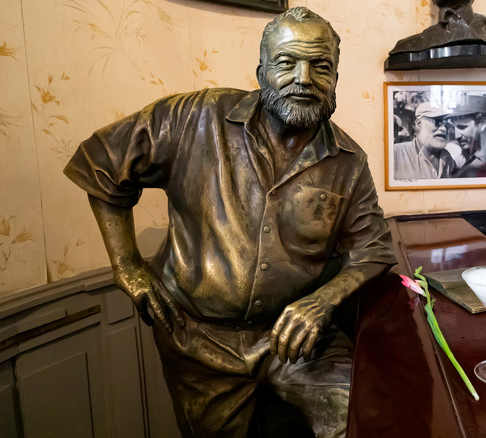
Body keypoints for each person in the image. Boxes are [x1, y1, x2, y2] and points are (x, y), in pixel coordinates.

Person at [64, 7, 395, 437]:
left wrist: (322, 302)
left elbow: (374, 250)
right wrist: (126, 265)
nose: (303, 78)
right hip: (198, 343)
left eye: (320, 66)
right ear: (260, 70)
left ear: (336, 76)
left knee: (363, 414)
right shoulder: (194, 117)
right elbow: (102, 163)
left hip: (295, 342)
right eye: (287, 62)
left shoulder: (348, 163)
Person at [393, 102, 456, 180]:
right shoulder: (396, 153)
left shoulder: (448, 159)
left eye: (447, 125)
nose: (444, 129)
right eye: (437, 122)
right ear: (419, 124)